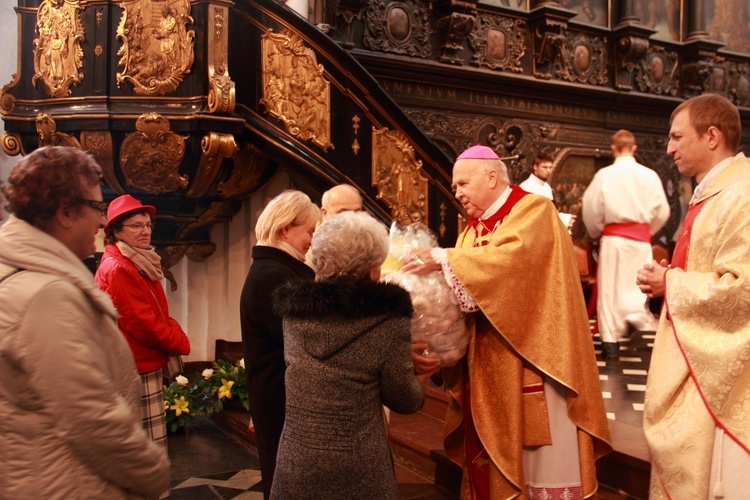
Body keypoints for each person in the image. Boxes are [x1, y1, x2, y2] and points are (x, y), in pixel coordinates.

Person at [404, 144, 611, 498]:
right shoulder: (470, 231)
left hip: (538, 363)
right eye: (455, 187)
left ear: (491, 176)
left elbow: (512, 263)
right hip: (486, 366)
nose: (457, 193)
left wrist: (442, 258)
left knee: (540, 467)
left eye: (462, 183)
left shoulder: (533, 210)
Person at [0, 146, 169, 498]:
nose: (102, 221)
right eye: (95, 206)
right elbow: (90, 418)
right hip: (67, 484)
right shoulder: (45, 294)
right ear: (65, 212)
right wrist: (153, 473)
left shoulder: (25, 270)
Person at [636, 94, 750, 499]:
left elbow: (743, 287)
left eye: (677, 137)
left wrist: (672, 284)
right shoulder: (713, 191)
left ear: (713, 136)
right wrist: (665, 283)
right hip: (699, 350)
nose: (669, 148)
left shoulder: (743, 194)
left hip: (729, 379)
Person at [270, 211, 424, 499]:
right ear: (370, 268)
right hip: (359, 465)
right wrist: (415, 373)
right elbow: (404, 400)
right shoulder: (387, 320)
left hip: (298, 457)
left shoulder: (294, 315)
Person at [239, 190, 321, 499]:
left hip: (279, 394)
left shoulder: (276, 270)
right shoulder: (274, 275)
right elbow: (308, 341)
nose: (312, 240)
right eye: (309, 231)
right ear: (286, 228)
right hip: (281, 399)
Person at [95, 194, 191, 452]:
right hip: (135, 363)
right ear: (115, 231)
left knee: (150, 444)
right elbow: (141, 322)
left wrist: (171, 329)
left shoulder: (138, 260)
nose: (145, 231)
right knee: (147, 449)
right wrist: (179, 340)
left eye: (148, 225)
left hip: (144, 359)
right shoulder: (119, 267)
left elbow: (156, 311)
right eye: (136, 225)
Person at [581, 129, 670, 358]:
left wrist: (596, 230)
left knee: (610, 291)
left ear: (613, 148)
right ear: (634, 147)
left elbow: (591, 209)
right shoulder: (649, 175)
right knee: (637, 286)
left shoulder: (604, 175)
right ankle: (635, 321)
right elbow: (663, 210)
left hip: (613, 240)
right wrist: (646, 229)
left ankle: (611, 342)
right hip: (640, 241)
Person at [519, 153, 577, 229]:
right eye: (545, 167)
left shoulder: (547, 187)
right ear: (535, 167)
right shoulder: (526, 186)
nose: (548, 171)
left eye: (550, 167)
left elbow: (551, 209)